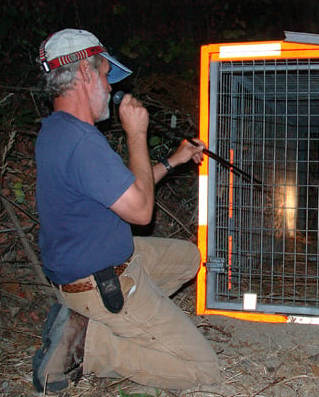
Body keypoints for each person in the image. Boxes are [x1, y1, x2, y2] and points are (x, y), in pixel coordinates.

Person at [32, 28, 220, 392]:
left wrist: (172, 160)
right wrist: (137, 134)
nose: (109, 85)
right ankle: (89, 348)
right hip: (101, 281)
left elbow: (125, 191)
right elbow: (141, 212)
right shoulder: (84, 142)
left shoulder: (57, 131)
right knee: (202, 371)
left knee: (187, 257)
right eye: (104, 73)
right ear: (85, 73)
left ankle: (98, 321)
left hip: (96, 265)